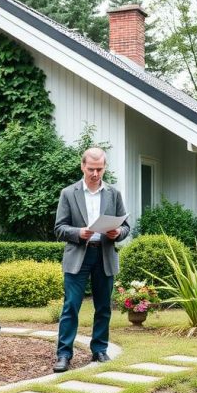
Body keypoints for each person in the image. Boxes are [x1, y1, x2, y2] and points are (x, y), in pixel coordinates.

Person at [52, 148, 131, 372]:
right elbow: (59, 228)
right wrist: (78, 233)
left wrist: (118, 233)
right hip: (79, 255)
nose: (95, 174)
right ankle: (64, 355)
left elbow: (125, 226)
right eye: (91, 169)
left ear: (104, 167)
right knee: (71, 307)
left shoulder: (113, 193)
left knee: (104, 307)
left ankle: (99, 350)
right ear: (82, 167)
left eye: (99, 169)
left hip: (104, 254)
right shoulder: (68, 193)